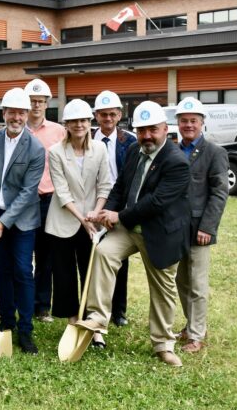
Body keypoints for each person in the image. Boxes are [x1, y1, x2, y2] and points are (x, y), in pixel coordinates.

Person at [77, 100, 191, 367]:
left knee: (162, 289)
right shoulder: (133, 151)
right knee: (103, 253)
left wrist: (119, 216)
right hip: (129, 229)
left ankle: (163, 344)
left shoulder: (176, 162)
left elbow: (157, 202)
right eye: (142, 130)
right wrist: (104, 210)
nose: (147, 136)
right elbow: (121, 187)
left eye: (152, 129)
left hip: (160, 233)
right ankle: (97, 318)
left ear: (165, 129)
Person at [0, 88, 45, 354]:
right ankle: (6, 322)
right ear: (3, 113)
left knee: (22, 271)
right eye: (12, 112)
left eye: (21, 113)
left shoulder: (36, 149)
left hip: (22, 221)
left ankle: (26, 329)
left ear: (27, 115)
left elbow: (29, 192)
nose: (16, 117)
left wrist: (3, 223)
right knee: (0, 271)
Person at [45, 99, 112, 336]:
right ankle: (73, 321)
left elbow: (105, 185)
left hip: (93, 221)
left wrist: (95, 213)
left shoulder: (100, 150)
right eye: (74, 121)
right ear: (67, 125)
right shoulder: (55, 152)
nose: (79, 125)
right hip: (63, 220)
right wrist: (83, 219)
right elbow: (61, 192)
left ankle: (93, 323)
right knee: (64, 274)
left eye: (83, 120)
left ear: (89, 122)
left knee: (91, 272)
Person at [174, 97, 229, 353]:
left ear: (202, 123)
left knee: (197, 283)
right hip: (176, 228)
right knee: (182, 281)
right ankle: (189, 326)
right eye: (184, 121)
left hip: (199, 230)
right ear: (177, 123)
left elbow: (219, 192)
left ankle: (197, 334)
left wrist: (207, 227)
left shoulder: (215, 153)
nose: (188, 125)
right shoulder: (173, 149)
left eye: (193, 121)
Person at [92, 90, 137, 330]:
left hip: (119, 208)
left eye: (112, 114)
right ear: (96, 116)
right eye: (102, 114)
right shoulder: (87, 138)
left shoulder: (130, 141)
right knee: (93, 256)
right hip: (94, 205)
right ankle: (94, 307)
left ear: (119, 115)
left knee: (119, 259)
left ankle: (118, 310)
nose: (107, 118)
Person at [23, 79, 66, 323]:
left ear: (47, 103)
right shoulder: (18, 128)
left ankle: (42, 306)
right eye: (32, 101)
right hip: (24, 202)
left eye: (40, 101)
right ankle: (24, 302)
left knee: (46, 257)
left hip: (50, 200)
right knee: (22, 255)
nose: (36, 106)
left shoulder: (58, 131)